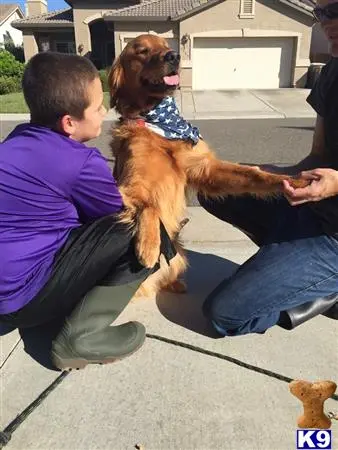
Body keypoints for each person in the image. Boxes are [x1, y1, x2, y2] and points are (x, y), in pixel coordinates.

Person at [0, 52, 175, 370]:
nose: (105, 111)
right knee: (140, 226)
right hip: (23, 300)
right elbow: (112, 217)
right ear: (69, 122)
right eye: (97, 107)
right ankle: (83, 337)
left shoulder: (13, 142)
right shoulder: (81, 162)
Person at [198, 0, 338, 336]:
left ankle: (321, 291)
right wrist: (274, 175)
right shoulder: (332, 70)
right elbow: (317, 155)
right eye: (320, 12)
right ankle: (286, 261)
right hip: (313, 208)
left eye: (334, 9)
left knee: (225, 315)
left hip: (334, 238)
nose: (324, 22)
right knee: (214, 185)